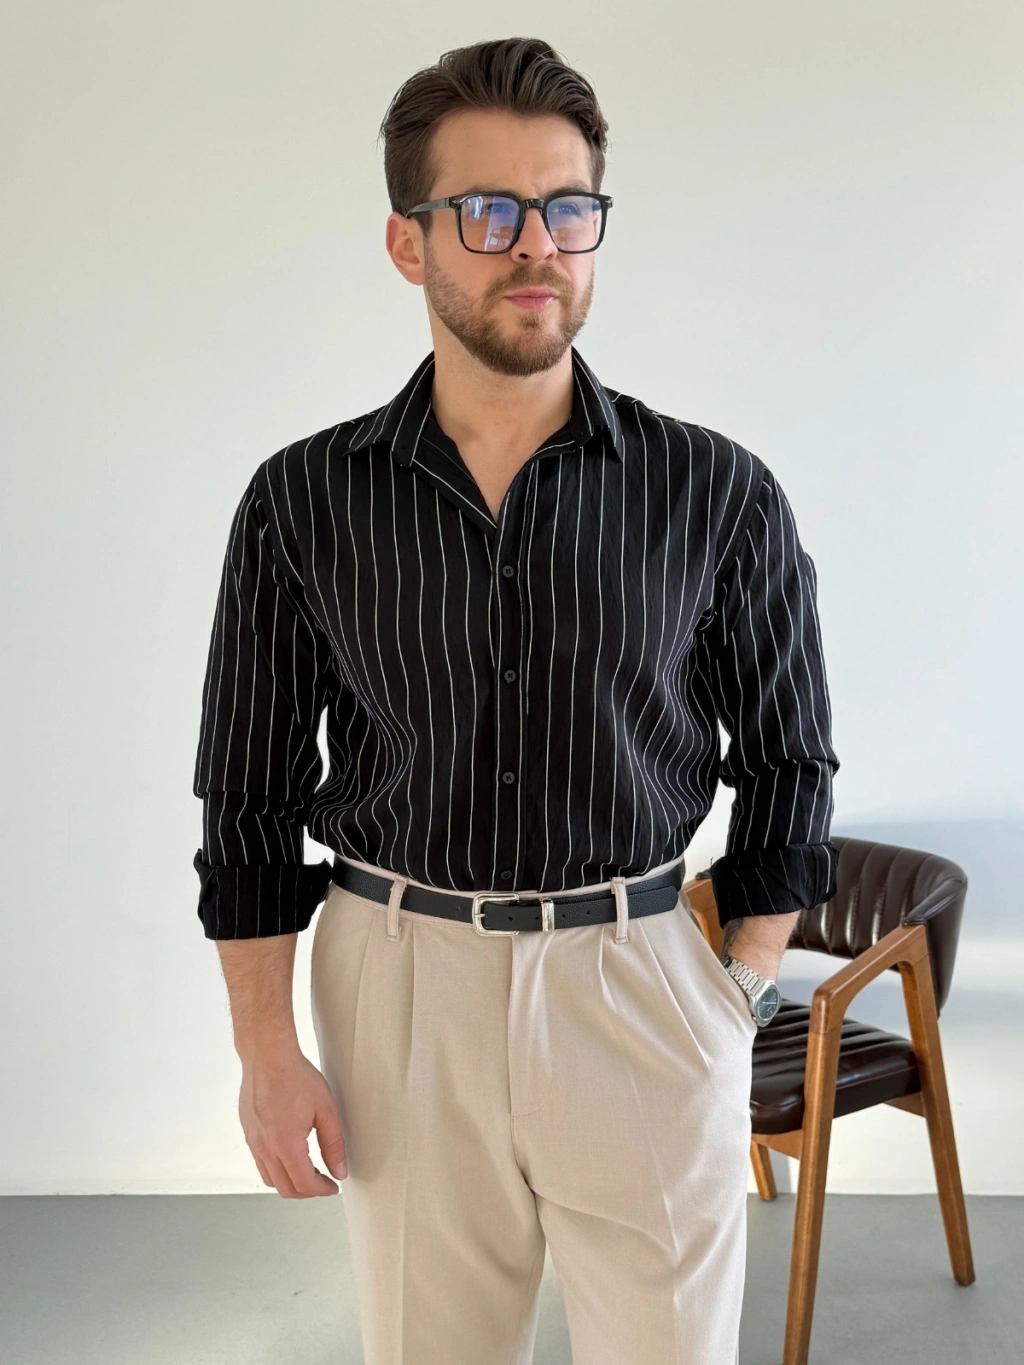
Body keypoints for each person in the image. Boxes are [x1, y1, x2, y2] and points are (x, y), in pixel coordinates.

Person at [191, 35, 839, 1365]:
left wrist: (740, 989)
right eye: (488, 211)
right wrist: (266, 1049)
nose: (536, 245)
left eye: (567, 208)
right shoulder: (302, 500)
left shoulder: (716, 492)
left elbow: (791, 759)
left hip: (642, 977)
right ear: (409, 242)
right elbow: (247, 795)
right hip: (398, 983)